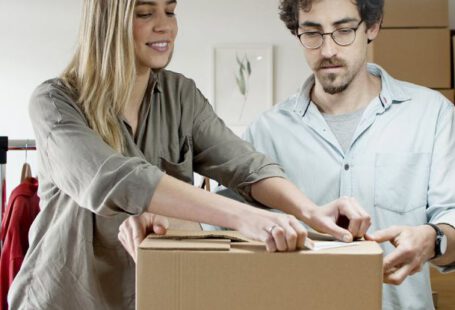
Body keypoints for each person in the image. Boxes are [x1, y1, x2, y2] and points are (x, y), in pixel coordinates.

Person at [7, 0, 372, 309]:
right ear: (109, 22)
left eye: (170, 11)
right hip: (63, 298)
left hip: (149, 295)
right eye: (145, 13)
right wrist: (247, 219)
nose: (164, 27)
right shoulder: (55, 102)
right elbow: (116, 179)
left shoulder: (181, 95)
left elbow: (244, 164)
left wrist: (309, 210)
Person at [243, 0, 455, 309]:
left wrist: (432, 240)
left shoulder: (433, 115)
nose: (328, 50)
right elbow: (218, 230)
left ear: (372, 26)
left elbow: (452, 222)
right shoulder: (266, 131)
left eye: (343, 30)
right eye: (313, 33)